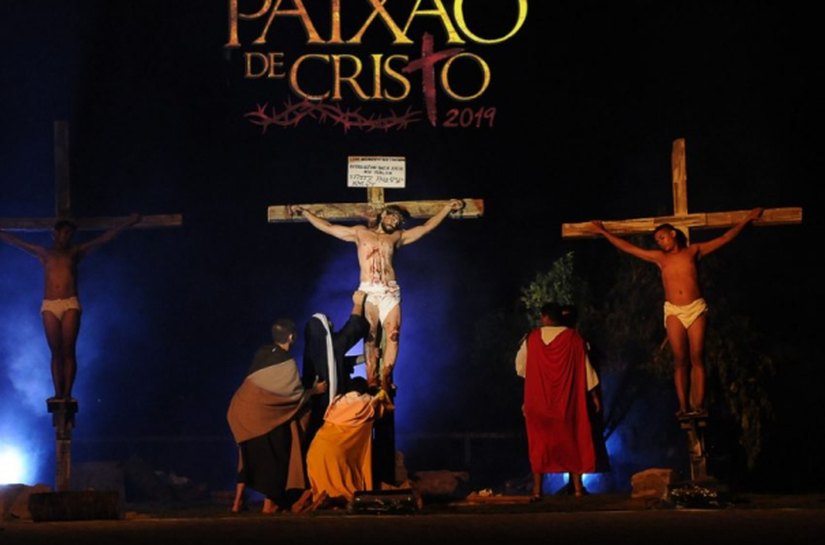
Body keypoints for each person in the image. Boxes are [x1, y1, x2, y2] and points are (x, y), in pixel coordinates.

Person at [590, 208, 763, 417]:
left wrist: (746, 219)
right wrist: (603, 232)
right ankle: (683, 406)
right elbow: (629, 248)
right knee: (680, 359)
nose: (660, 242)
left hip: (695, 307)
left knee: (697, 356)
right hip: (673, 310)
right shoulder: (660, 258)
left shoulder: (694, 251)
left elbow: (724, 238)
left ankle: (698, 405)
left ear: (673, 234)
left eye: (662, 237)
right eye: (658, 240)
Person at [289, 200, 463, 392]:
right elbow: (329, 227)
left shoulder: (398, 237)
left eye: (398, 220)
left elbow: (426, 227)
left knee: (394, 335)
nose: (395, 221)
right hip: (369, 291)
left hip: (390, 291)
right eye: (392, 215)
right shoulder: (360, 232)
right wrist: (305, 212)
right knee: (370, 336)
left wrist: (447, 208)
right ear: (383, 215)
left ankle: (386, 378)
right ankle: (372, 379)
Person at [0, 214, 142, 401]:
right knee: (56, 352)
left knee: (68, 350)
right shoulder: (44, 253)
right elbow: (16, 241)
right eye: (65, 233)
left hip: (70, 303)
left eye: (70, 234)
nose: (67, 237)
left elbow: (103, 239)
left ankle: (67, 393)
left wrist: (127, 222)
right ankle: (58, 393)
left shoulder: (75, 252)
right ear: (56, 234)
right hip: (50, 304)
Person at [227, 318, 327, 514]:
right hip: (262, 417)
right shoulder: (287, 363)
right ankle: (269, 503)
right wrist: (315, 390)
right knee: (279, 455)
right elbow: (293, 395)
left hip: (240, 411)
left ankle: (237, 502)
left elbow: (266, 387)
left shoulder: (262, 353)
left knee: (246, 457)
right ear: (291, 337)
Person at [515, 302, 601, 498]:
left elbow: (521, 368)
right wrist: (594, 396)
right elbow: (586, 370)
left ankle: (537, 491)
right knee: (572, 440)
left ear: (545, 317)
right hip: (567, 401)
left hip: (538, 402)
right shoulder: (574, 339)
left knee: (539, 444)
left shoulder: (532, 339)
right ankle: (578, 490)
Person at [303, 377, 392, 510]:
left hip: (315, 452)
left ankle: (320, 499)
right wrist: (385, 377)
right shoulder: (366, 403)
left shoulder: (336, 402)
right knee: (348, 491)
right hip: (337, 456)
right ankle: (333, 500)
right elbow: (385, 404)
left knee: (324, 488)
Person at [302, 290, 371, 444]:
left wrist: (364, 358)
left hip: (317, 415)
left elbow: (339, 362)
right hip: (332, 412)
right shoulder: (332, 346)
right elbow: (352, 330)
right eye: (329, 323)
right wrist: (358, 304)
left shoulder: (313, 353)